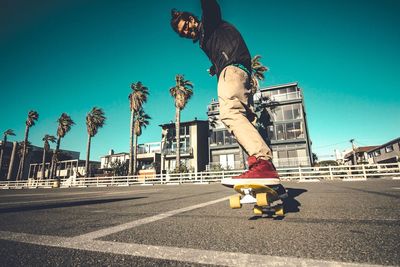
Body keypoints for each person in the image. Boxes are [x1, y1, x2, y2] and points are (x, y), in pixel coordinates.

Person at [170, 0, 280, 186]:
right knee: (246, 120)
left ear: (192, 18)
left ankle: (262, 162)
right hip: (240, 71)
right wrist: (215, 66)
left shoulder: (209, 22)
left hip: (232, 71)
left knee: (230, 113)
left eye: (186, 26)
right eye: (183, 34)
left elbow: (210, 5)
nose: (187, 32)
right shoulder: (205, 40)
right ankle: (263, 169)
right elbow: (220, 49)